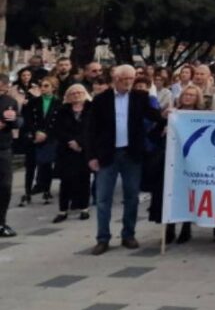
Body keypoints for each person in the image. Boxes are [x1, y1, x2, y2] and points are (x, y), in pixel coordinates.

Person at [85, 65, 165, 255]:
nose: (128, 82)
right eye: (124, 79)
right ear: (115, 78)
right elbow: (90, 130)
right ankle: (102, 238)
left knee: (131, 197)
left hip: (131, 154)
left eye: (131, 79)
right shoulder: (101, 99)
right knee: (103, 198)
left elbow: (155, 118)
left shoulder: (140, 98)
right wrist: (91, 156)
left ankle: (128, 234)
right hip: (108, 154)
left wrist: (170, 115)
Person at [159, 85, 203, 244]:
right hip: (172, 158)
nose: (188, 97)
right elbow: (155, 133)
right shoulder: (172, 112)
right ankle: (169, 228)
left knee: (188, 192)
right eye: (186, 94)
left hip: (191, 159)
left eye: (192, 95)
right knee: (170, 191)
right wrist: (164, 123)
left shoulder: (201, 115)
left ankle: (186, 227)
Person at [51, 84, 93, 224]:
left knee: (84, 180)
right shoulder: (62, 111)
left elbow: (91, 129)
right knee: (66, 181)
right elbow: (58, 130)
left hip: (84, 149)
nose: (76, 95)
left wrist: (80, 143)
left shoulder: (91, 109)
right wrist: (70, 141)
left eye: (79, 92)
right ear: (68, 96)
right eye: (73, 93)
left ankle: (84, 208)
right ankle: (62, 210)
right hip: (66, 150)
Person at [25, 76, 63, 205]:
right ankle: (27, 192)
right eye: (41, 86)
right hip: (34, 135)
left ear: (53, 87)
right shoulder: (33, 102)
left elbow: (58, 123)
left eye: (46, 86)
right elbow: (28, 120)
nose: (43, 88)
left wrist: (46, 134)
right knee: (30, 165)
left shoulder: (59, 103)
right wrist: (35, 132)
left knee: (46, 165)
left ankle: (46, 190)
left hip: (49, 137)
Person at [0, 75, 21, 237]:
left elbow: (18, 122)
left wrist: (14, 120)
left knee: (5, 187)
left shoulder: (9, 101)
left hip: (3, 149)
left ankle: (1, 222)